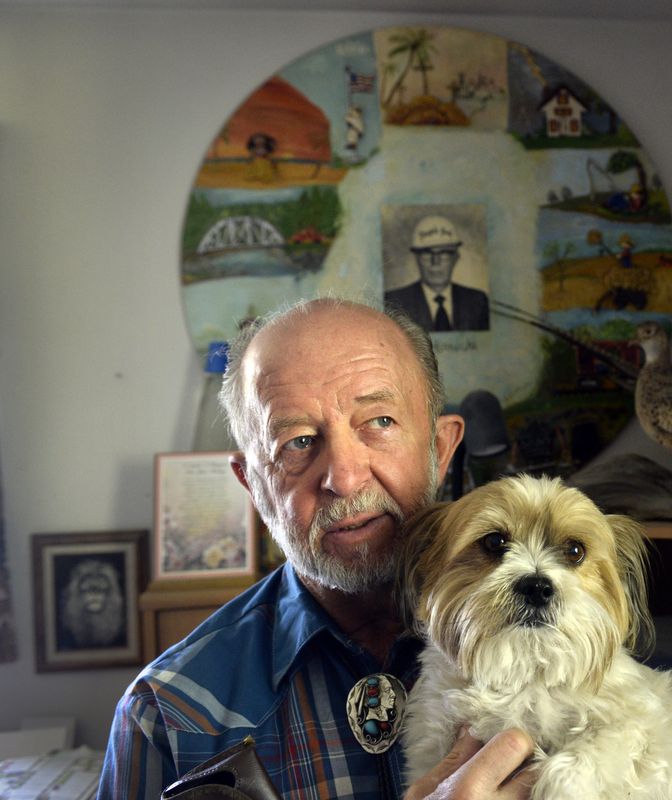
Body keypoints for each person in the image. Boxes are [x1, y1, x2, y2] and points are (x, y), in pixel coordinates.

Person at [99, 298, 534, 799]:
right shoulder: (168, 714)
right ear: (252, 485)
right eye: (299, 442)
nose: (344, 479)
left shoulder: (561, 644)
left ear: (439, 448)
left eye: (380, 422)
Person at [385, 215, 490, 332]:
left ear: (455, 257)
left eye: (444, 253)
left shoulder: (477, 301)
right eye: (427, 253)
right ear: (417, 258)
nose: (435, 262)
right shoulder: (394, 301)